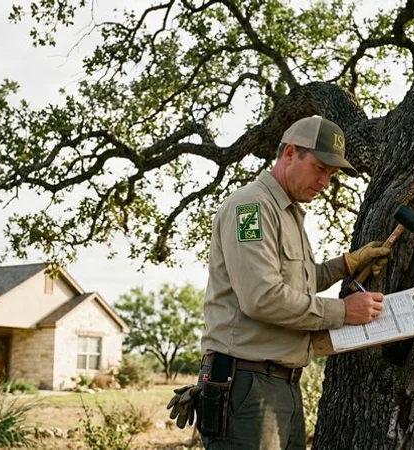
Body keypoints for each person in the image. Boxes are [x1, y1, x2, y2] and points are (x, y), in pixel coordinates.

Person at [167, 115, 390, 449]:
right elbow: (263, 297)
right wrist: (343, 311)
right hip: (247, 384)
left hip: (282, 384)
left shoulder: (288, 212)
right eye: (319, 167)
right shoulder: (251, 208)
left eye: (331, 174)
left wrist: (345, 265)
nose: (325, 181)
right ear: (289, 154)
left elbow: (296, 282)